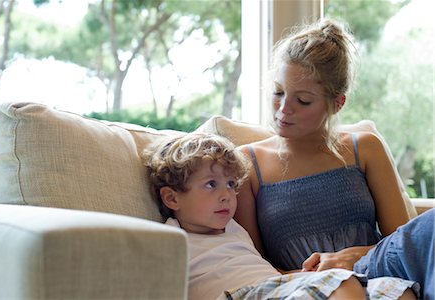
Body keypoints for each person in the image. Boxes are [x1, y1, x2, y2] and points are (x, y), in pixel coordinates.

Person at [234, 18, 433, 299]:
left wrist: (356, 257)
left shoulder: (364, 147)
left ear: (337, 103)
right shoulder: (247, 165)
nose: (283, 109)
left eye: (302, 100)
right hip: (301, 288)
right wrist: (324, 276)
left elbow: (405, 245)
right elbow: (253, 263)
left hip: (380, 278)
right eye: (278, 92)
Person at [144, 132, 417, 300]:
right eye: (211, 185)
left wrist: (304, 274)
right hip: (240, 295)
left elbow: (267, 272)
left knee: (394, 290)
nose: (227, 195)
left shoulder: (234, 230)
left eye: (230, 184)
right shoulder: (171, 239)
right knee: (342, 285)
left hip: (275, 287)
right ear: (172, 198)